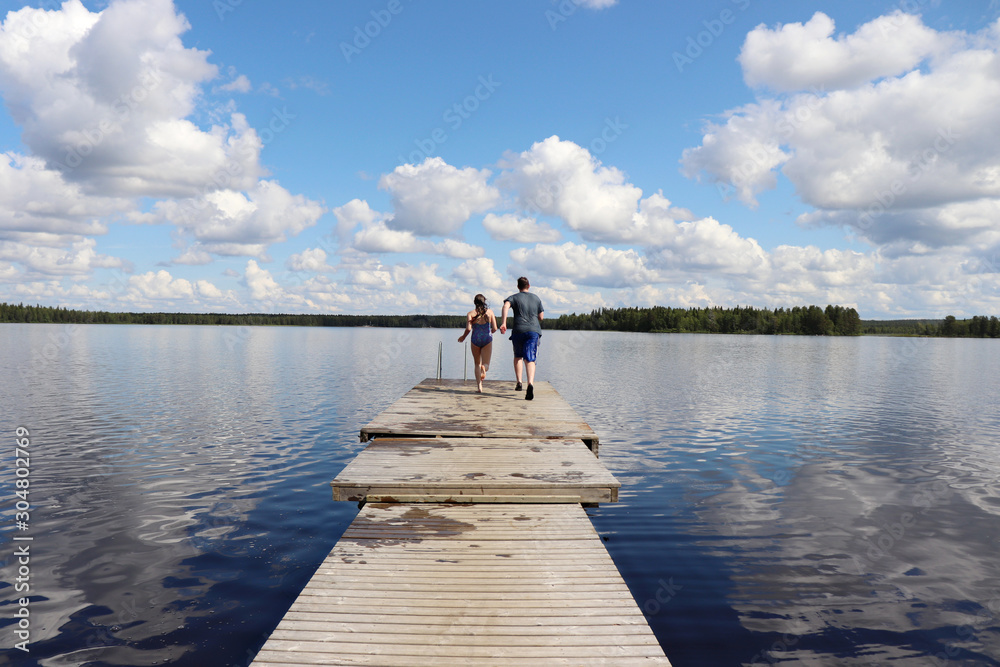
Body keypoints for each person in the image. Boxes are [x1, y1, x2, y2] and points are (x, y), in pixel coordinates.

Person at [499, 276, 544, 400]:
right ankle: (530, 384)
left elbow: (505, 306)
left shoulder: (513, 297)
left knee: (518, 356)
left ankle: (519, 382)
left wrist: (503, 323)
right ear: (529, 286)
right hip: (533, 331)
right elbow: (541, 317)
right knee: (530, 358)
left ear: (518, 287)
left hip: (518, 330)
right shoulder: (536, 298)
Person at [457, 294, 498, 393]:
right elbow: (495, 328)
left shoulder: (470, 314)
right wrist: (489, 333)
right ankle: (485, 368)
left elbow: (468, 329)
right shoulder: (490, 312)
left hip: (475, 339)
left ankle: (479, 387)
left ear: (474, 302)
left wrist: (463, 337)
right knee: (486, 363)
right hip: (487, 339)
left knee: (476, 364)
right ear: (484, 302)